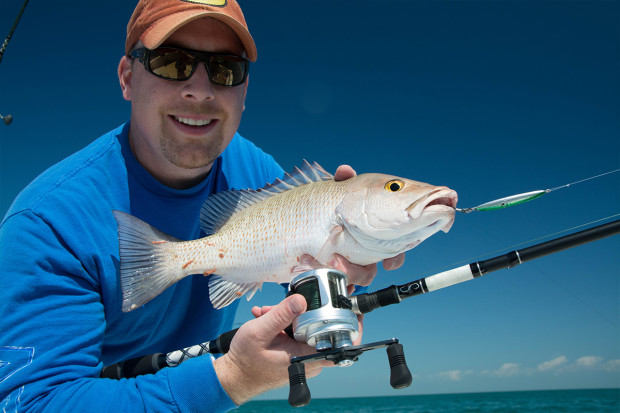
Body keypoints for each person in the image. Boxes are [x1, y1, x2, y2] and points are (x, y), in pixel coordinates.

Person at [0, 1, 404, 411]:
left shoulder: (257, 174)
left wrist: (346, 272)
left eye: (225, 69)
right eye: (172, 63)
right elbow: (33, 402)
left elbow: (303, 276)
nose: (201, 89)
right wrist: (234, 378)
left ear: (243, 92)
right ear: (126, 78)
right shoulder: (47, 223)